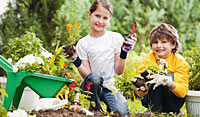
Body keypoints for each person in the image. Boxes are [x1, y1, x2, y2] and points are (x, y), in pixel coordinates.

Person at [62, 0, 136, 115]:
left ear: (109, 19)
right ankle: (95, 107)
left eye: (105, 18)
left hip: (111, 88)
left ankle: (105, 104)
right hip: (91, 86)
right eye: (97, 16)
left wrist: (123, 53)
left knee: (122, 114)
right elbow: (87, 75)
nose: (100, 21)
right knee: (95, 77)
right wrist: (76, 61)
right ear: (89, 14)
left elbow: (119, 71)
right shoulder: (83, 43)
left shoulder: (115, 38)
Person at [135, 23, 189, 114]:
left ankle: (173, 112)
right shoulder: (148, 59)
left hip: (173, 103)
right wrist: (143, 85)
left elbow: (182, 92)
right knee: (151, 76)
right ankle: (154, 111)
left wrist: (170, 82)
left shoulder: (180, 61)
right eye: (155, 42)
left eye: (164, 42)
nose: (159, 46)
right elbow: (139, 93)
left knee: (168, 76)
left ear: (173, 44)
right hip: (152, 101)